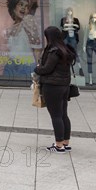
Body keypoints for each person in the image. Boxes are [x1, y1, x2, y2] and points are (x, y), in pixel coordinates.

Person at [34, 26, 75, 154]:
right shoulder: (65, 49)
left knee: (56, 116)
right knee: (63, 114)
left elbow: (47, 69)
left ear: (49, 37)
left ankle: (58, 145)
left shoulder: (54, 51)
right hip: (64, 86)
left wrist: (37, 69)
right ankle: (65, 143)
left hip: (52, 87)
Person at [3, 0, 41, 77]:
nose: (24, 8)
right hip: (11, 64)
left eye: (27, 6)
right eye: (21, 4)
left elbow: (37, 47)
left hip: (26, 65)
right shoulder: (10, 28)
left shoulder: (29, 21)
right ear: (13, 7)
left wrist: (38, 66)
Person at [60, 7, 83, 76]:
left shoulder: (75, 19)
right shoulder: (63, 19)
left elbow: (78, 27)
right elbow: (63, 27)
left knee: (74, 52)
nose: (69, 12)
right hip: (66, 37)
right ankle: (64, 69)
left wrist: (70, 26)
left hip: (73, 37)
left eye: (70, 11)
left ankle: (80, 68)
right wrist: (72, 26)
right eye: (68, 11)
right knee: (64, 52)